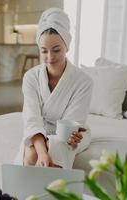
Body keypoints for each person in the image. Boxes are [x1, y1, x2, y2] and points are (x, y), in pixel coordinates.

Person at [14, 8, 93, 169]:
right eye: (44, 51)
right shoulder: (31, 77)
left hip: (71, 134)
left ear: (67, 46)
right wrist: (42, 151)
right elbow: (32, 118)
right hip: (39, 129)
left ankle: (55, 193)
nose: (50, 58)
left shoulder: (84, 81)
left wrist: (51, 146)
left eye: (56, 50)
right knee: (32, 154)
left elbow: (71, 124)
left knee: (55, 152)